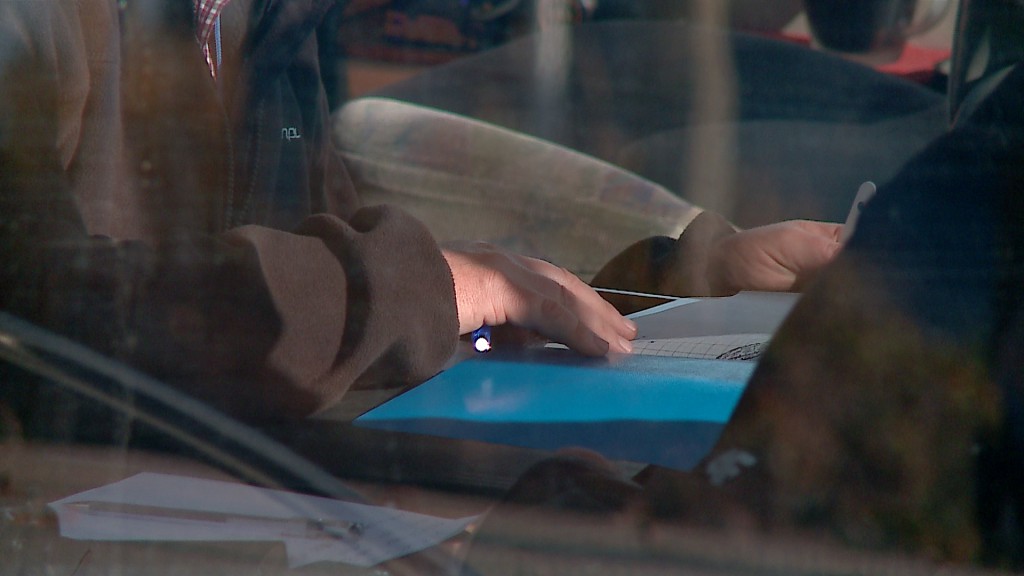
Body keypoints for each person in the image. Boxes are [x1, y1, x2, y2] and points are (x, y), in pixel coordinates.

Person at [0, 0, 838, 425]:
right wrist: (441, 285)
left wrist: (673, 290)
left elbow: (335, 313)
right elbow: (43, 310)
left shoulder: (260, 24)